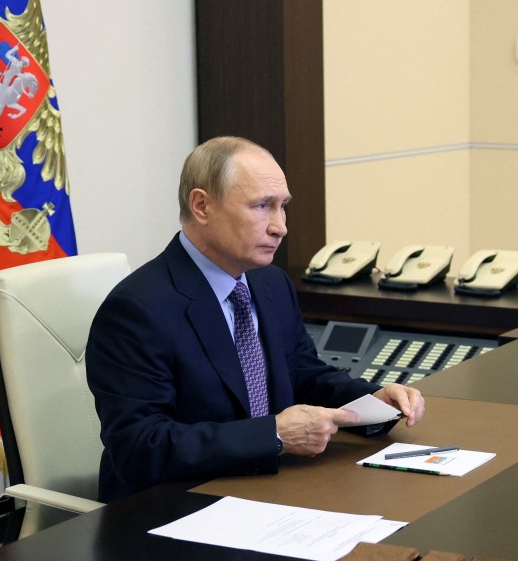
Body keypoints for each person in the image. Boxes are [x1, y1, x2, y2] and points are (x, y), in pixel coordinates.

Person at [87, 136, 425, 502]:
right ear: (201, 206)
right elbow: (139, 447)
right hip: (170, 508)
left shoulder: (269, 282)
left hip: (267, 492)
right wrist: (274, 435)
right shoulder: (137, 309)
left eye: (283, 207)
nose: (280, 226)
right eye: (262, 206)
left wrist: (373, 401)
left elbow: (301, 373)